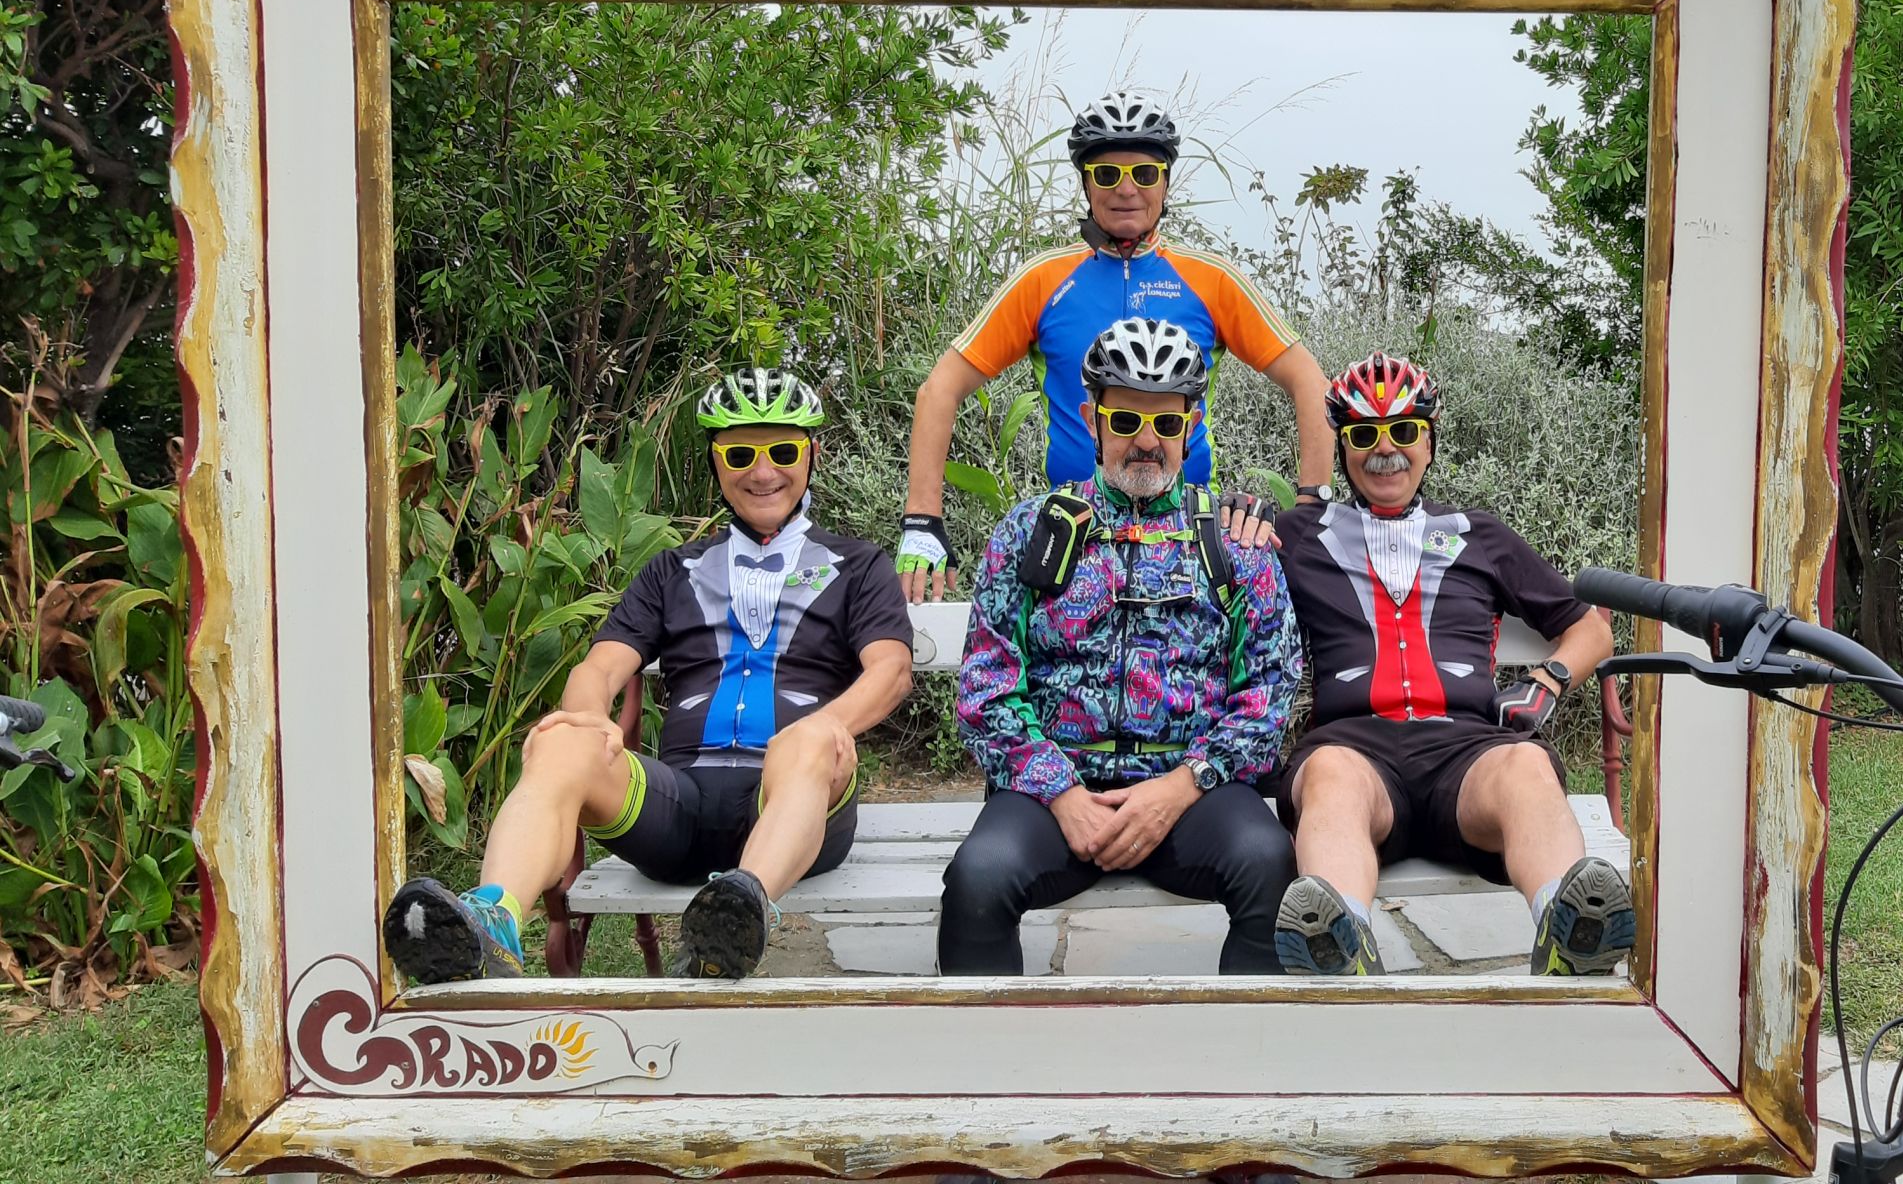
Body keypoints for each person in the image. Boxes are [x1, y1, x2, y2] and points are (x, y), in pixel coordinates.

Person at [381, 369, 914, 983]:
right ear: (716, 463)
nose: (763, 472)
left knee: (810, 737)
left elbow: (891, 669)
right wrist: (585, 719)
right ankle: (489, 925)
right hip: (679, 805)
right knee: (562, 740)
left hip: (797, 801)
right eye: (741, 453)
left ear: (811, 455)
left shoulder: (858, 565)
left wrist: (824, 729)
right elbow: (603, 664)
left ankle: (740, 915)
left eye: (783, 451)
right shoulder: (674, 570)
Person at [939, 319, 1301, 974]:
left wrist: (1181, 786)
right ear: (1092, 417)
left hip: (1193, 793)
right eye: (1126, 420)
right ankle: (984, 1067)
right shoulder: (1030, 530)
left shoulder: (1232, 541)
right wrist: (1059, 792)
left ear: (1191, 427)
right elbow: (986, 688)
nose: (1146, 442)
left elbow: (1269, 694)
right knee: (978, 877)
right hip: (1053, 795)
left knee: (1268, 862)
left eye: (1165, 424)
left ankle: (1251, 1061)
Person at [1268, 352, 1632, 976]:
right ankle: (1340, 948)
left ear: (1429, 443)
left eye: (1404, 431)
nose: (1386, 450)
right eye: (1364, 435)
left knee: (1525, 765)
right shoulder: (1302, 534)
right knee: (1328, 774)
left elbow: (1590, 628)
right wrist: (1235, 517)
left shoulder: (1477, 533)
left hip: (1470, 754)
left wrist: (1546, 682)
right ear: (1345, 449)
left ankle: (1573, 934)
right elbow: (1228, 580)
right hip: (1356, 750)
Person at [898, 90, 1330, 604]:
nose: (1127, 189)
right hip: (1073, 537)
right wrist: (922, 520)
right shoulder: (1044, 280)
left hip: (1187, 535)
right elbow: (939, 390)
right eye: (1107, 175)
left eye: (1144, 174)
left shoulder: (1210, 280)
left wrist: (1311, 504)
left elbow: (1310, 382)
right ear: (1086, 183)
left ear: (1165, 182)